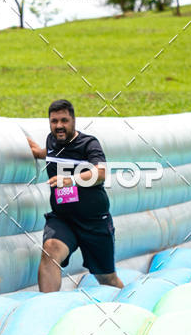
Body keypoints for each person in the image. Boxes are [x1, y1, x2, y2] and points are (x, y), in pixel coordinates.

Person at [27, 98, 123, 292]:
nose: (59, 126)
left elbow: (101, 173)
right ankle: (47, 310)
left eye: (64, 121)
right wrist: (38, 152)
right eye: (54, 121)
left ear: (73, 121)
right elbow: (52, 153)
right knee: (51, 249)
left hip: (94, 222)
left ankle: (128, 304)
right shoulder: (51, 141)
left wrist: (71, 180)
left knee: (107, 278)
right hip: (63, 219)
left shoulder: (89, 144)